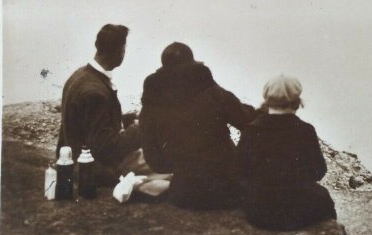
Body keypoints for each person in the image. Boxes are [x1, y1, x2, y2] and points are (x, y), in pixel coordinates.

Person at [139, 42, 257, 209]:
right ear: (192, 63)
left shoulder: (152, 99)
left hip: (183, 194)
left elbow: (154, 158)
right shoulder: (210, 88)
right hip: (226, 190)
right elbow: (246, 121)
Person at [237, 75, 337, 230]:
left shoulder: (251, 130)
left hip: (260, 212)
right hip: (300, 211)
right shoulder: (305, 130)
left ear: (267, 100)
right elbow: (318, 171)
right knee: (323, 197)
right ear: (296, 102)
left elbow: (241, 171)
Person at [56, 24, 145, 185]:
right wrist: (139, 128)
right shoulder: (95, 92)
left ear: (98, 46)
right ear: (119, 52)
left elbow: (89, 125)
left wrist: (129, 118)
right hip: (94, 168)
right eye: (124, 49)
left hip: (74, 158)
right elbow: (107, 149)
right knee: (163, 163)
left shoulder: (80, 75)